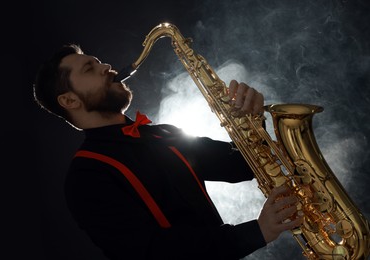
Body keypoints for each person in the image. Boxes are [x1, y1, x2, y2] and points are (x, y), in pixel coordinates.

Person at [33, 43, 303, 260]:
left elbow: (243, 165)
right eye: (90, 69)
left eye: (99, 61)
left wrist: (253, 122)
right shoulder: (86, 176)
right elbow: (152, 251)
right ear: (69, 100)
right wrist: (256, 232)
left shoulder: (163, 133)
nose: (106, 67)